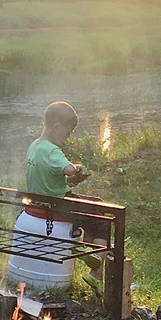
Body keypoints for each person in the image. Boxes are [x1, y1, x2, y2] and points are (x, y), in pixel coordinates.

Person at [25, 101, 113, 281]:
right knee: (104, 218)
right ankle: (96, 272)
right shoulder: (52, 150)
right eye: (68, 131)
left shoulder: (34, 146)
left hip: (40, 200)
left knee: (94, 204)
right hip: (58, 204)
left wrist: (67, 181)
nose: (69, 136)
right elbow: (70, 169)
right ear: (57, 126)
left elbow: (47, 176)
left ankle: (90, 253)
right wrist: (77, 168)